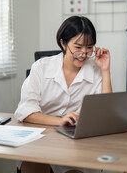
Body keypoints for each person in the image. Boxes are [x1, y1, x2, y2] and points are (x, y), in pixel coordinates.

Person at [14, 15, 113, 173]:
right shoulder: (41, 67)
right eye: (78, 47)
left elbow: (105, 114)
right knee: (34, 166)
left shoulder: (95, 72)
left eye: (89, 47)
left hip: (78, 145)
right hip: (42, 140)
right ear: (63, 43)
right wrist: (60, 121)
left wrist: (105, 70)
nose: (84, 53)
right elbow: (26, 111)